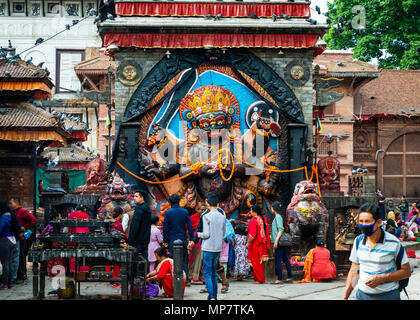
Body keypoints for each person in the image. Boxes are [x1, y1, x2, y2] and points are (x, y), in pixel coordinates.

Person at [342, 203, 411, 300]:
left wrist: (383, 278)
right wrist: (345, 296)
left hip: (388, 296)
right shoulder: (358, 241)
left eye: (367, 221)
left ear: (378, 222)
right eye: (361, 221)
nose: (363, 225)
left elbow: (406, 272)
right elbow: (354, 270)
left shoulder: (394, 243)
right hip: (362, 295)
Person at [197, 194, 226, 300]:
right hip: (218, 247)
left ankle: (212, 294)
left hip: (208, 247)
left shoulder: (206, 216)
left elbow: (206, 234)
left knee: (207, 272)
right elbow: (223, 233)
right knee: (214, 272)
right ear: (217, 204)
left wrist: (198, 235)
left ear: (207, 203)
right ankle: (214, 295)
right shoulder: (222, 216)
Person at [162, 194, 194, 284]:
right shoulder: (184, 211)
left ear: (170, 202)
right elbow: (190, 226)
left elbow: (165, 228)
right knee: (183, 259)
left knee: (174, 259)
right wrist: (191, 238)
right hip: (183, 238)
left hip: (172, 239)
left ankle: (177, 279)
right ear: (179, 201)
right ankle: (186, 279)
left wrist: (165, 241)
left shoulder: (168, 212)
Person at [8, 197, 36, 283]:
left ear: (16, 203)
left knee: (21, 256)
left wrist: (25, 227)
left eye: (11, 203)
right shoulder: (12, 212)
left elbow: (33, 220)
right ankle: (15, 274)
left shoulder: (23, 211)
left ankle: (22, 274)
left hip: (21, 237)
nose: (10, 205)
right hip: (13, 237)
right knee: (14, 257)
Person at [128, 190, 152, 274]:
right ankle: (147, 277)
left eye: (136, 196)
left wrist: (130, 240)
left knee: (136, 260)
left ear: (142, 198)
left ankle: (138, 278)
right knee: (144, 258)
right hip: (145, 239)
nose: (134, 198)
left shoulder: (139, 209)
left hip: (138, 240)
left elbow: (135, 227)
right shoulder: (147, 209)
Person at [246, 205, 270, 284]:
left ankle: (260, 279)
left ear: (254, 211)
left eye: (251, 210)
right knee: (259, 262)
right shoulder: (263, 219)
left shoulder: (254, 220)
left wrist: (248, 242)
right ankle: (257, 278)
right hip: (262, 243)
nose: (250, 212)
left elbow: (252, 235)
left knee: (256, 262)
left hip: (255, 244)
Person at [270, 201, 293, 284]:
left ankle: (279, 278)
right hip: (282, 242)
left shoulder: (277, 217)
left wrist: (276, 240)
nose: (271, 209)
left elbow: (280, 229)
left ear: (274, 208)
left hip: (279, 242)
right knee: (285, 259)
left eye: (272, 207)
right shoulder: (278, 217)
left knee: (279, 260)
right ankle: (289, 277)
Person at [0, 201, 20, 289]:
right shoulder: (12, 215)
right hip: (13, 240)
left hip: (5, 240)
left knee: (5, 263)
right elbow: (18, 227)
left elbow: (0, 228)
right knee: (10, 262)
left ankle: (4, 283)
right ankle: (10, 283)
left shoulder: (4, 216)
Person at [219, 218, 235, 293]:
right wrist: (231, 240)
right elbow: (229, 233)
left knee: (219, 262)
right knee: (224, 262)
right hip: (224, 242)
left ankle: (220, 278)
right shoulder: (226, 222)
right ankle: (223, 278)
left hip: (217, 243)